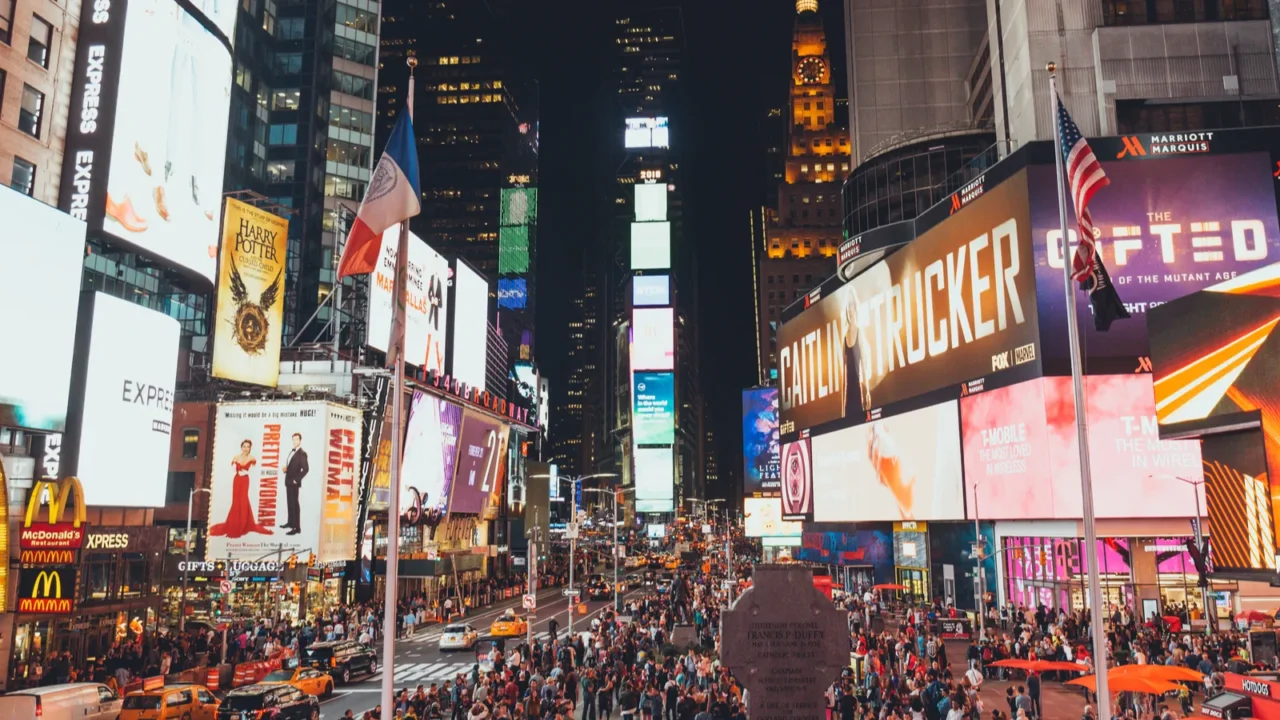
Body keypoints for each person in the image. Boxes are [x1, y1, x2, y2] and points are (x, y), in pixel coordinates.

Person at [210, 440, 271, 537]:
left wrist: (244, 472)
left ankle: (244, 524)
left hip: (245, 480)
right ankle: (235, 523)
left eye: (248, 447)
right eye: (244, 446)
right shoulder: (236, 457)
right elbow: (233, 469)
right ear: (241, 447)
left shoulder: (252, 458)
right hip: (237, 480)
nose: (246, 448)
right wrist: (236, 466)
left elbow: (252, 471)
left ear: (250, 448)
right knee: (236, 500)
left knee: (243, 499)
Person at [282, 432, 309, 535]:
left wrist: (296, 480)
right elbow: (293, 466)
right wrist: (286, 469)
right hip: (288, 482)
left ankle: (296, 528)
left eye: (296, 439)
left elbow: (306, 469)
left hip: (294, 483)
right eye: (293, 439)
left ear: (300, 440)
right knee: (290, 503)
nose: (294, 441)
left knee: (294, 505)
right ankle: (290, 523)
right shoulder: (292, 451)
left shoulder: (302, 453)